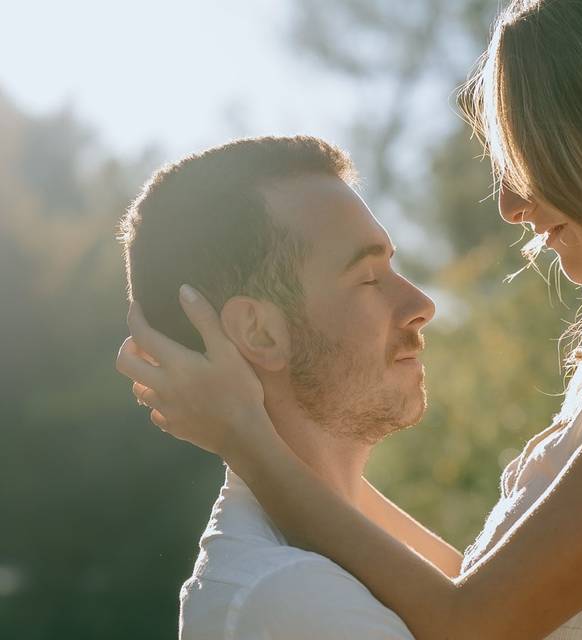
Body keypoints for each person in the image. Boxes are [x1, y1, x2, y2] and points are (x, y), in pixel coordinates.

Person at [116, 1, 582, 638]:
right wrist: (267, 450)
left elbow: (472, 623)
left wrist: (249, 442)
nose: (510, 206)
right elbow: (475, 588)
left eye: (528, 159)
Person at [117, 135, 455, 639]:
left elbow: (475, 597)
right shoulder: (293, 599)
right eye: (367, 277)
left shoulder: (325, 566)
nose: (420, 303)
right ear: (259, 332)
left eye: (392, 267)